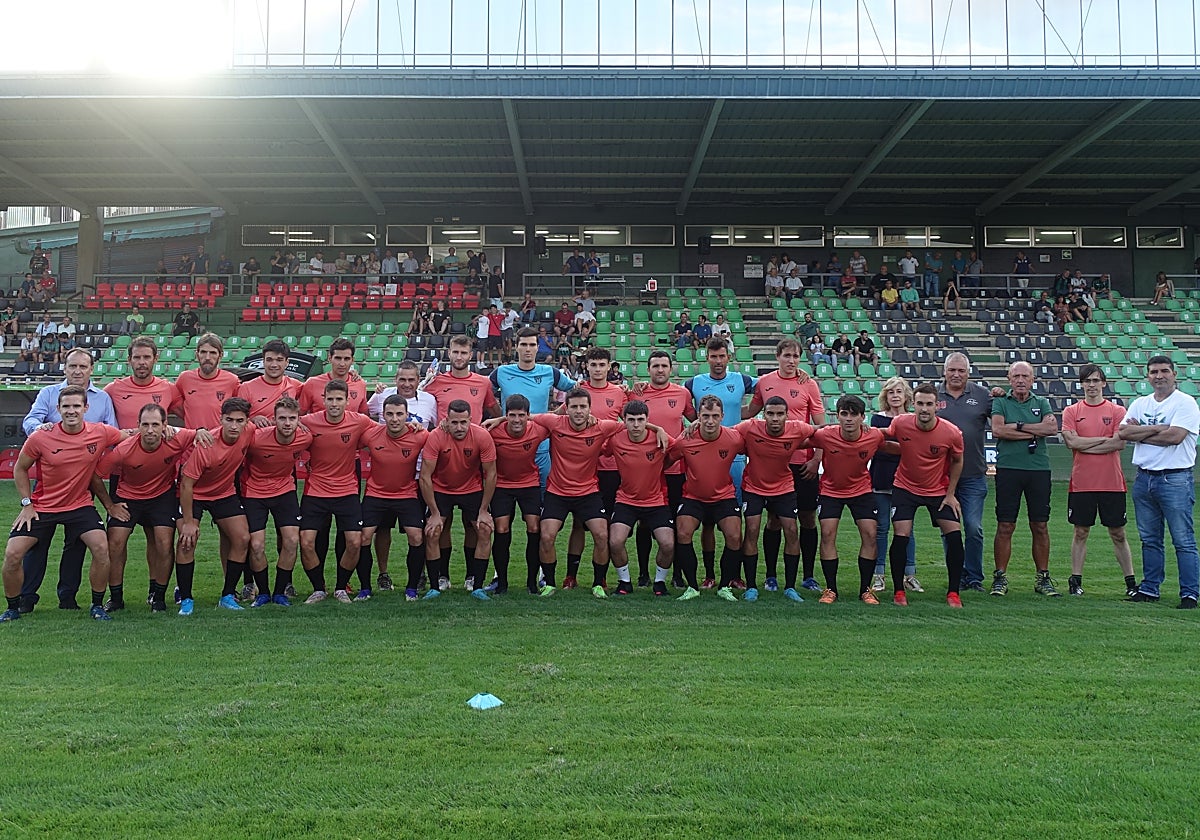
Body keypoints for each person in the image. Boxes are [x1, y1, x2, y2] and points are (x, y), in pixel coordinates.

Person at [1, 386, 126, 623]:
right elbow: (20, 468)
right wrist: (27, 504)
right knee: (12, 554)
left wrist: (172, 430)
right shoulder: (40, 437)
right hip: (42, 506)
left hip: (79, 506)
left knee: (101, 548)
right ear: (58, 409)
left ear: (85, 408)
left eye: (76, 406)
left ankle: (97, 605)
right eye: (66, 406)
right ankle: (13, 608)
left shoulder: (99, 432)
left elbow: (132, 435)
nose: (71, 411)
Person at [18, 349, 118, 613]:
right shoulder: (49, 394)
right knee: (37, 541)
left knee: (76, 543)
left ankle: (68, 597)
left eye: (82, 366)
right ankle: (27, 597)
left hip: (85, 481)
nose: (77, 371)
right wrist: (41, 430)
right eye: (72, 365)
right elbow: (31, 420)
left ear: (91, 369)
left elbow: (115, 436)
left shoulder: (103, 398)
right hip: (50, 481)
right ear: (65, 368)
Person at [95, 405, 210, 613]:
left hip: (161, 497)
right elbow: (95, 474)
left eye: (155, 424)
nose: (150, 430)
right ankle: (116, 598)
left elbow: (199, 433)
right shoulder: (124, 449)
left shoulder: (176, 438)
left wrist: (199, 429)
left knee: (164, 543)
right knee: (115, 543)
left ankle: (158, 597)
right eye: (145, 425)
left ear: (164, 425)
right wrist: (110, 506)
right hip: (128, 497)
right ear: (137, 426)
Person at [523, 389, 634, 598]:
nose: (579, 411)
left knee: (602, 535)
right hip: (558, 492)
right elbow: (523, 416)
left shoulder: (601, 426)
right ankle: (549, 583)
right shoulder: (555, 423)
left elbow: (632, 425)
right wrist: (497, 420)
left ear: (590, 409)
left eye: (583, 407)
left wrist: (659, 430)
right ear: (567, 408)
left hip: (588, 492)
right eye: (574, 406)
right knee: (546, 536)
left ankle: (598, 583)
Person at [1119, 355, 1200, 608]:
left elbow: (1175, 437)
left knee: (1183, 539)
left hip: (1175, 478)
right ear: (1147, 376)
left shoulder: (1185, 403)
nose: (1159, 376)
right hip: (1144, 479)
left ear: (1174, 375)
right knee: (1149, 538)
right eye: (1154, 372)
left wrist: (1141, 433)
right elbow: (1123, 433)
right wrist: (1158, 429)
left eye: (1164, 371)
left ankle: (1189, 593)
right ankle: (1150, 588)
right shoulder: (1140, 403)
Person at [745, 339, 823, 594]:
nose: (791, 361)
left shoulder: (808, 384)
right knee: (774, 520)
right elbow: (751, 412)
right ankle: (770, 576)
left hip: (803, 464)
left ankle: (808, 575)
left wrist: (816, 460)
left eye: (796, 356)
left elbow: (821, 429)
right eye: (787, 355)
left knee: (808, 519)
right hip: (773, 463)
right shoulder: (765, 382)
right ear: (777, 356)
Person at [296, 380, 376, 605]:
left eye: (339, 399)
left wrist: (413, 426)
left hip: (347, 491)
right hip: (316, 491)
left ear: (347, 401)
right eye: (330, 399)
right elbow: (285, 424)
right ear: (323, 399)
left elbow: (386, 429)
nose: (334, 403)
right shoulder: (309, 422)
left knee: (354, 542)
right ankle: (318, 588)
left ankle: (341, 587)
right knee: (306, 542)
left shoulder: (359, 421)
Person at [1060, 365, 1137, 598]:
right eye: (1087, 381)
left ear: (1103, 383)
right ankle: (1075, 581)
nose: (1091, 385)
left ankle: (1131, 582)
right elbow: (1072, 443)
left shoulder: (1116, 411)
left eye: (1096, 380)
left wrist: (1085, 442)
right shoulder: (1071, 411)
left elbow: (1119, 443)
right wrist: (1101, 441)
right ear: (1081, 384)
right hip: (1082, 482)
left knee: (1118, 533)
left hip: (1112, 483)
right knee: (1081, 531)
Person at [886, 384, 966, 608]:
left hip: (938, 491)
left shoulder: (951, 432)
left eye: (929, 404)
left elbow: (958, 460)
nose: (924, 408)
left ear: (937, 406)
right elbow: (884, 437)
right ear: (913, 404)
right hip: (905, 487)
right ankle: (899, 591)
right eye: (920, 403)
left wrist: (951, 494)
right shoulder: (901, 423)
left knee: (954, 535)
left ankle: (953, 593)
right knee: (901, 534)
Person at [175, 397, 254, 615]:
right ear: (221, 419)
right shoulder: (207, 444)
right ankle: (186, 598)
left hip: (223, 493)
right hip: (195, 493)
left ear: (247, 422)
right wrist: (189, 522)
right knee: (186, 540)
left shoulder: (249, 432)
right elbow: (186, 485)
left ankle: (228, 595)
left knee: (242, 538)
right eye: (229, 420)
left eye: (240, 420)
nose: (234, 425)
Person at [990, 361, 1061, 597]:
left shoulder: (1041, 402)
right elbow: (999, 430)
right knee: (1005, 524)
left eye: (1025, 376)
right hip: (1009, 468)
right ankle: (1000, 577)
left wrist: (1019, 426)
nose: (1021, 380)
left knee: (1040, 525)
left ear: (1033, 380)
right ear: (1009, 379)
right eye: (1016, 376)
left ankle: (1043, 577)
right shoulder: (1001, 402)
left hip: (1038, 469)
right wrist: (1034, 430)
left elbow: (1051, 429)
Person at [733, 396, 814, 603]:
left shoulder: (798, 428)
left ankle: (789, 587)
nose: (775, 418)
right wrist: (696, 424)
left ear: (787, 415)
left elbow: (823, 433)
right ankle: (751, 587)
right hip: (753, 486)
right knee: (751, 530)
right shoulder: (749, 427)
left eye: (780, 414)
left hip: (784, 487)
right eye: (770, 414)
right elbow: (722, 432)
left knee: (792, 530)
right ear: (763, 415)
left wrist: (817, 458)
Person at [667, 395, 745, 602]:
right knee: (683, 532)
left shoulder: (734, 438)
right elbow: (666, 460)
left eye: (714, 416)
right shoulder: (685, 440)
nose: (710, 421)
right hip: (693, 497)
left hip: (724, 496)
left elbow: (757, 445)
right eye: (705, 416)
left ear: (722, 417)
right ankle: (692, 587)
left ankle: (725, 586)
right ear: (698, 417)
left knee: (735, 535)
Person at [812, 396, 888, 605]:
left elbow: (897, 442)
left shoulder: (873, 436)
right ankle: (830, 589)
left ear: (863, 417)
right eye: (844, 414)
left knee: (870, 534)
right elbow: (800, 439)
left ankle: (866, 590)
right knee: (827, 533)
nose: (848, 419)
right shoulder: (826, 435)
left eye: (854, 414)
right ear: (837, 416)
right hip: (830, 490)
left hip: (861, 490)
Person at [238, 396, 312, 608]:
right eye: (282, 418)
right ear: (274, 419)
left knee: (291, 541)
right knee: (257, 545)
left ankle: (280, 592)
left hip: (285, 491)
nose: (287, 423)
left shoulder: (305, 438)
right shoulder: (256, 438)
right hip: (255, 493)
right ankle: (263, 593)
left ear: (299, 419)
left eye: (292, 418)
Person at [419, 399, 496, 598]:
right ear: (447, 420)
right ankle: (437, 584)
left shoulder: (482, 436)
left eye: (463, 422)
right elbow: (425, 476)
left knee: (484, 529)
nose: (459, 427)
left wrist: (484, 510)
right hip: (442, 489)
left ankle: (476, 584)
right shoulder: (436, 437)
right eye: (454, 422)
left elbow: (491, 474)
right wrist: (434, 513)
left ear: (471, 420)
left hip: (472, 488)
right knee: (433, 531)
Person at [359, 394, 429, 601]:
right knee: (363, 537)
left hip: (406, 494)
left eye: (399, 414)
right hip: (375, 494)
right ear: (383, 415)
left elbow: (444, 436)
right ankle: (365, 589)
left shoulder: (420, 435)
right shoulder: (371, 435)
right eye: (390, 414)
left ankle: (411, 589)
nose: (395, 418)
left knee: (416, 536)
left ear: (408, 415)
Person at [637, 351, 698, 587]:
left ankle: (676, 575)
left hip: (674, 470)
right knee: (643, 522)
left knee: (675, 522)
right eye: (655, 366)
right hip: (646, 469)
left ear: (671, 369)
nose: (660, 370)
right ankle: (643, 573)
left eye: (664, 366)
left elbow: (695, 421)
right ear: (648, 369)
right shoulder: (638, 393)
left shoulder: (682, 393)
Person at [604, 400, 676, 597]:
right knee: (615, 541)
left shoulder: (660, 438)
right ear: (624, 421)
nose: (636, 425)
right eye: (631, 420)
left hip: (656, 501)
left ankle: (660, 583)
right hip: (626, 500)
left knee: (668, 544)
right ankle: (624, 582)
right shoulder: (615, 439)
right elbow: (599, 448)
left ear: (647, 420)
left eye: (640, 420)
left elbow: (679, 450)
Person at [936, 352, 993, 592]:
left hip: (973, 475)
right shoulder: (932, 395)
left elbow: (1001, 419)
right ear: (944, 371)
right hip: (942, 477)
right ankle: (956, 575)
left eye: (961, 370)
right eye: (952, 370)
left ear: (968, 372)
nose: (956, 375)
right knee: (950, 529)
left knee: (973, 527)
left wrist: (1001, 395)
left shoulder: (983, 395)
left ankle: (974, 576)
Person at [487, 395, 549, 596]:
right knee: (502, 528)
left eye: (521, 415)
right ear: (506, 416)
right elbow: (470, 430)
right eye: (511, 415)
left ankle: (532, 582)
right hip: (502, 485)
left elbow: (559, 417)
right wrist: (498, 420)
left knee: (534, 527)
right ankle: (501, 582)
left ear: (528, 416)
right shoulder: (493, 431)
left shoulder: (538, 430)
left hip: (529, 483)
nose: (516, 420)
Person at [871, 377, 917, 592]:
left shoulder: (913, 419)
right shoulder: (877, 419)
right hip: (881, 477)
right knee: (881, 527)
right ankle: (878, 574)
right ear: (885, 396)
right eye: (891, 392)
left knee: (907, 529)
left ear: (906, 395)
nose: (895, 395)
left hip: (907, 478)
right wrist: (903, 448)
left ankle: (910, 574)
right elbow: (878, 446)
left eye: (899, 391)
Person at [104, 337, 183, 429]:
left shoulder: (169, 389)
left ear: (155, 359)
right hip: (124, 443)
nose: (141, 362)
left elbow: (190, 417)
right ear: (129, 360)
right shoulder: (113, 389)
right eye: (137, 357)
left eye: (147, 357)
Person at [175, 334, 243, 430]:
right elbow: (175, 404)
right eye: (203, 352)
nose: (207, 357)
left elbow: (241, 411)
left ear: (221, 355)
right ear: (197, 355)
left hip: (219, 441)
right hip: (192, 441)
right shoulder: (184, 378)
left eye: (212, 353)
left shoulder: (232, 381)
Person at [237, 339, 303, 425]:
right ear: (263, 362)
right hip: (257, 437)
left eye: (279, 360)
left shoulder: (296, 385)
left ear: (287, 362)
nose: (274, 365)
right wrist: (253, 419)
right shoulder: (246, 388)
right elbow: (237, 419)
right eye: (269, 360)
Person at [298, 338, 369, 415]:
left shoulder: (360, 384)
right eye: (338, 358)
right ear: (330, 358)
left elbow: (364, 416)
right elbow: (299, 415)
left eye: (346, 359)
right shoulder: (312, 383)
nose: (342, 364)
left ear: (352, 360)